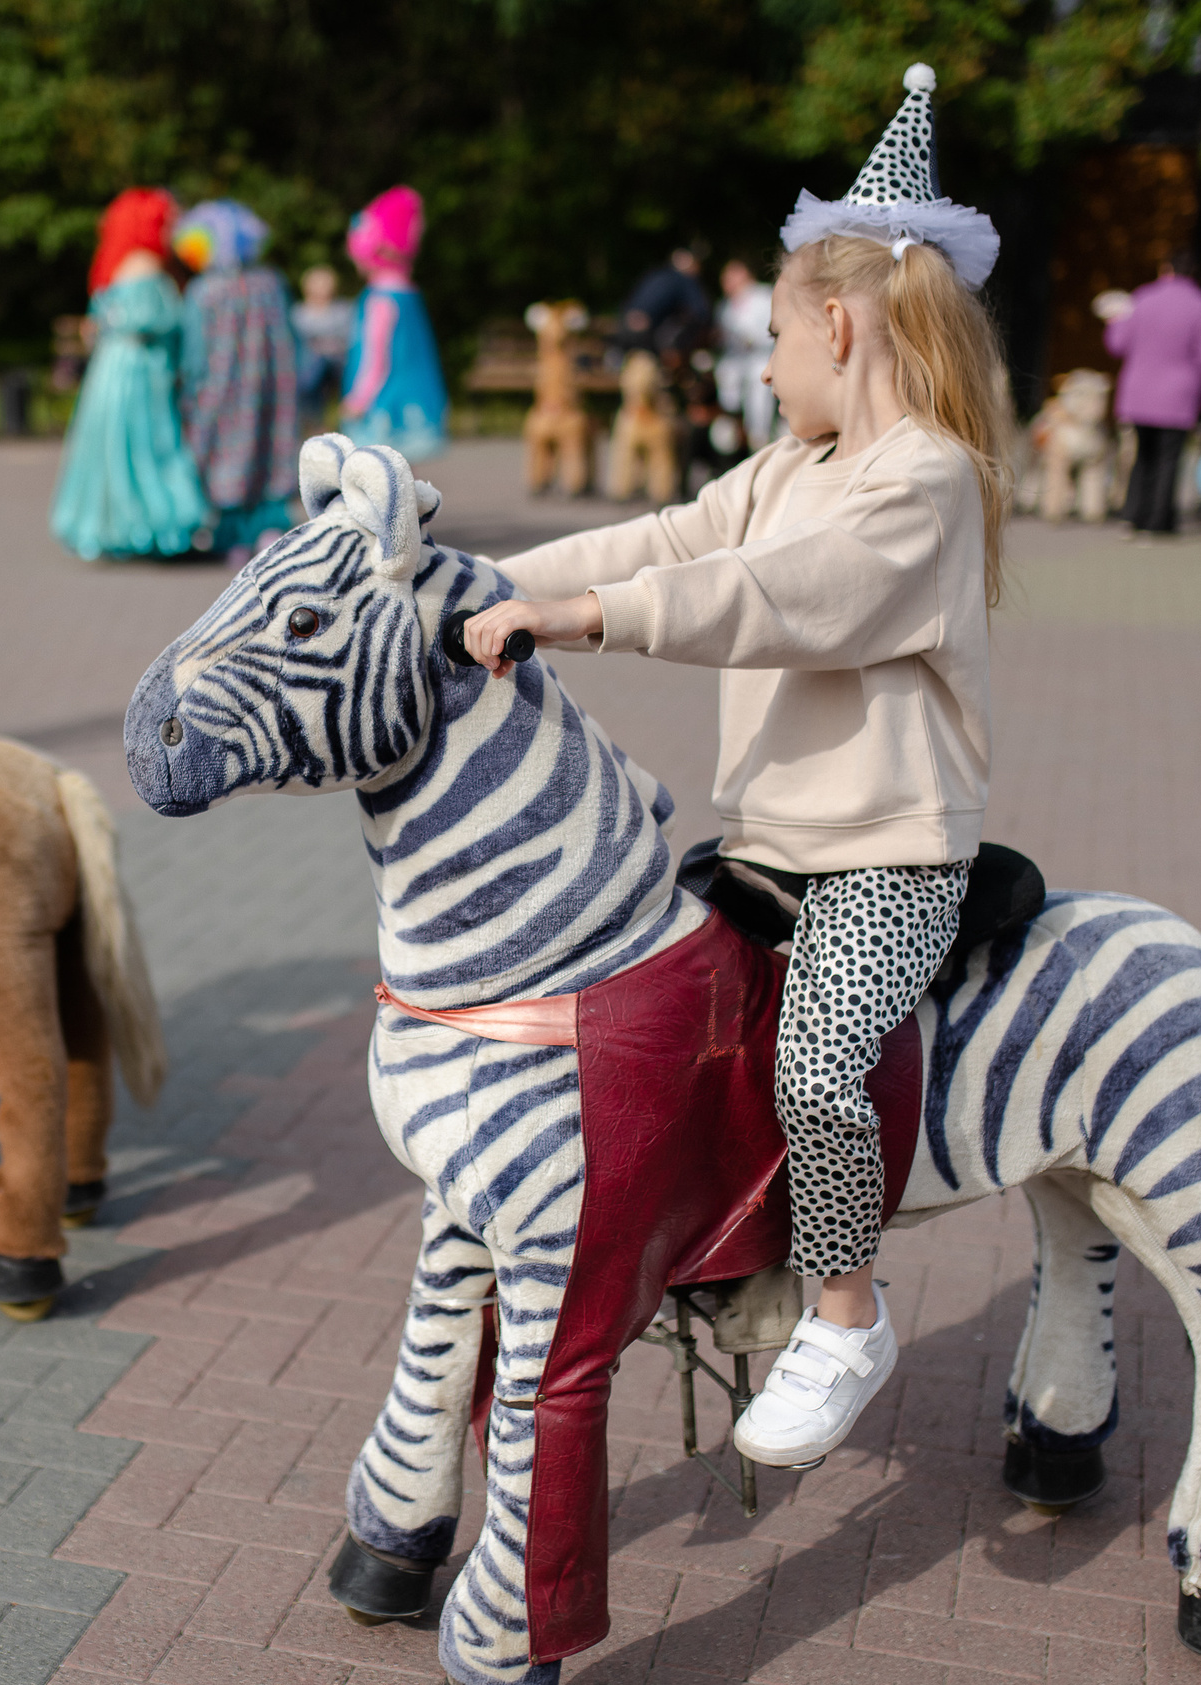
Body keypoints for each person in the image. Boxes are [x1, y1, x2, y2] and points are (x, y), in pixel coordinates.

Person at [464, 63, 1009, 1472]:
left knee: (819, 1066)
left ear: (839, 324)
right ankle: (706, 1254)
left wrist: (584, 620)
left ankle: (844, 1313)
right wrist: (481, 580)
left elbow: (782, 597)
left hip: (885, 849)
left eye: (771, 337)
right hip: (767, 839)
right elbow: (664, 539)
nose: (761, 368)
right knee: (639, 1008)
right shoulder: (785, 466)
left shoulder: (926, 479)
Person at [48, 189, 210, 560]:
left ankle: (120, 528)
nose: (174, 229)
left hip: (116, 367)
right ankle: (152, 526)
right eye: (167, 221)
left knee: (116, 450)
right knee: (147, 449)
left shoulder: (120, 262)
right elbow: (151, 320)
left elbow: (102, 319)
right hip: (140, 370)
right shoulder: (146, 264)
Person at [174, 201, 300, 567]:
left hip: (221, 393)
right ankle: (269, 530)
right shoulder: (272, 283)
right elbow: (292, 338)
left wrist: (187, 389)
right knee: (270, 455)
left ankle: (233, 538)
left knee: (223, 460)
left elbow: (194, 354)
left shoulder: (204, 291)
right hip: (273, 389)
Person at [1101, 248, 1201, 538]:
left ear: (1165, 269)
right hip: (1179, 394)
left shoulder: (1141, 296)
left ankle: (1132, 516)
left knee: (1142, 454)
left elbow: (1117, 345)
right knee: (1169, 458)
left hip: (1138, 391)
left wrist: (1113, 322)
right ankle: (1158, 522)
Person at [341, 186, 449, 462]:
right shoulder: (408, 294)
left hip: (384, 406)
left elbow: (376, 357)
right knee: (405, 475)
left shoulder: (379, 299)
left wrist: (358, 400)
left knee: (380, 475)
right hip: (415, 404)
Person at [716, 258, 778, 454]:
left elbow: (773, 330)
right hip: (733, 363)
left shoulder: (763, 296)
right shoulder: (725, 305)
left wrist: (752, 339)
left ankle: (760, 443)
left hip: (760, 358)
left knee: (759, 404)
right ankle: (733, 442)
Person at [291, 264, 354, 423]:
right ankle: (312, 418)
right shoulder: (299, 313)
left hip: (339, 363)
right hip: (311, 366)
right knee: (312, 369)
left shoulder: (343, 310)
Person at [619, 246, 711, 356]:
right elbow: (702, 313)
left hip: (623, 325)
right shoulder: (685, 280)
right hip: (647, 334)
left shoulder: (655, 274)